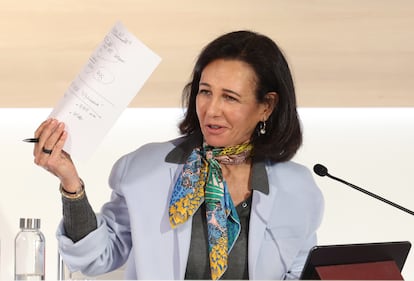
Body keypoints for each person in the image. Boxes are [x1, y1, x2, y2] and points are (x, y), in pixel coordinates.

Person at [33, 30, 324, 280]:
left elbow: (298, 274)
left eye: (230, 98)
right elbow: (97, 257)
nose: (211, 110)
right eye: (205, 92)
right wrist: (71, 183)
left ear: (267, 106)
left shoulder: (297, 190)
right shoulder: (143, 169)